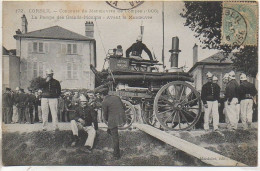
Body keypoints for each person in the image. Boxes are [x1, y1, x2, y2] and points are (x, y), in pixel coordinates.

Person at [102, 89, 126, 159]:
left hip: (113, 120)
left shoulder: (104, 101)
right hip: (122, 118)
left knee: (115, 137)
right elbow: (124, 107)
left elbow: (105, 115)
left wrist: (107, 120)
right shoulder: (116, 97)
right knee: (110, 130)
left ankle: (116, 155)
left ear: (101, 95)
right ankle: (109, 131)